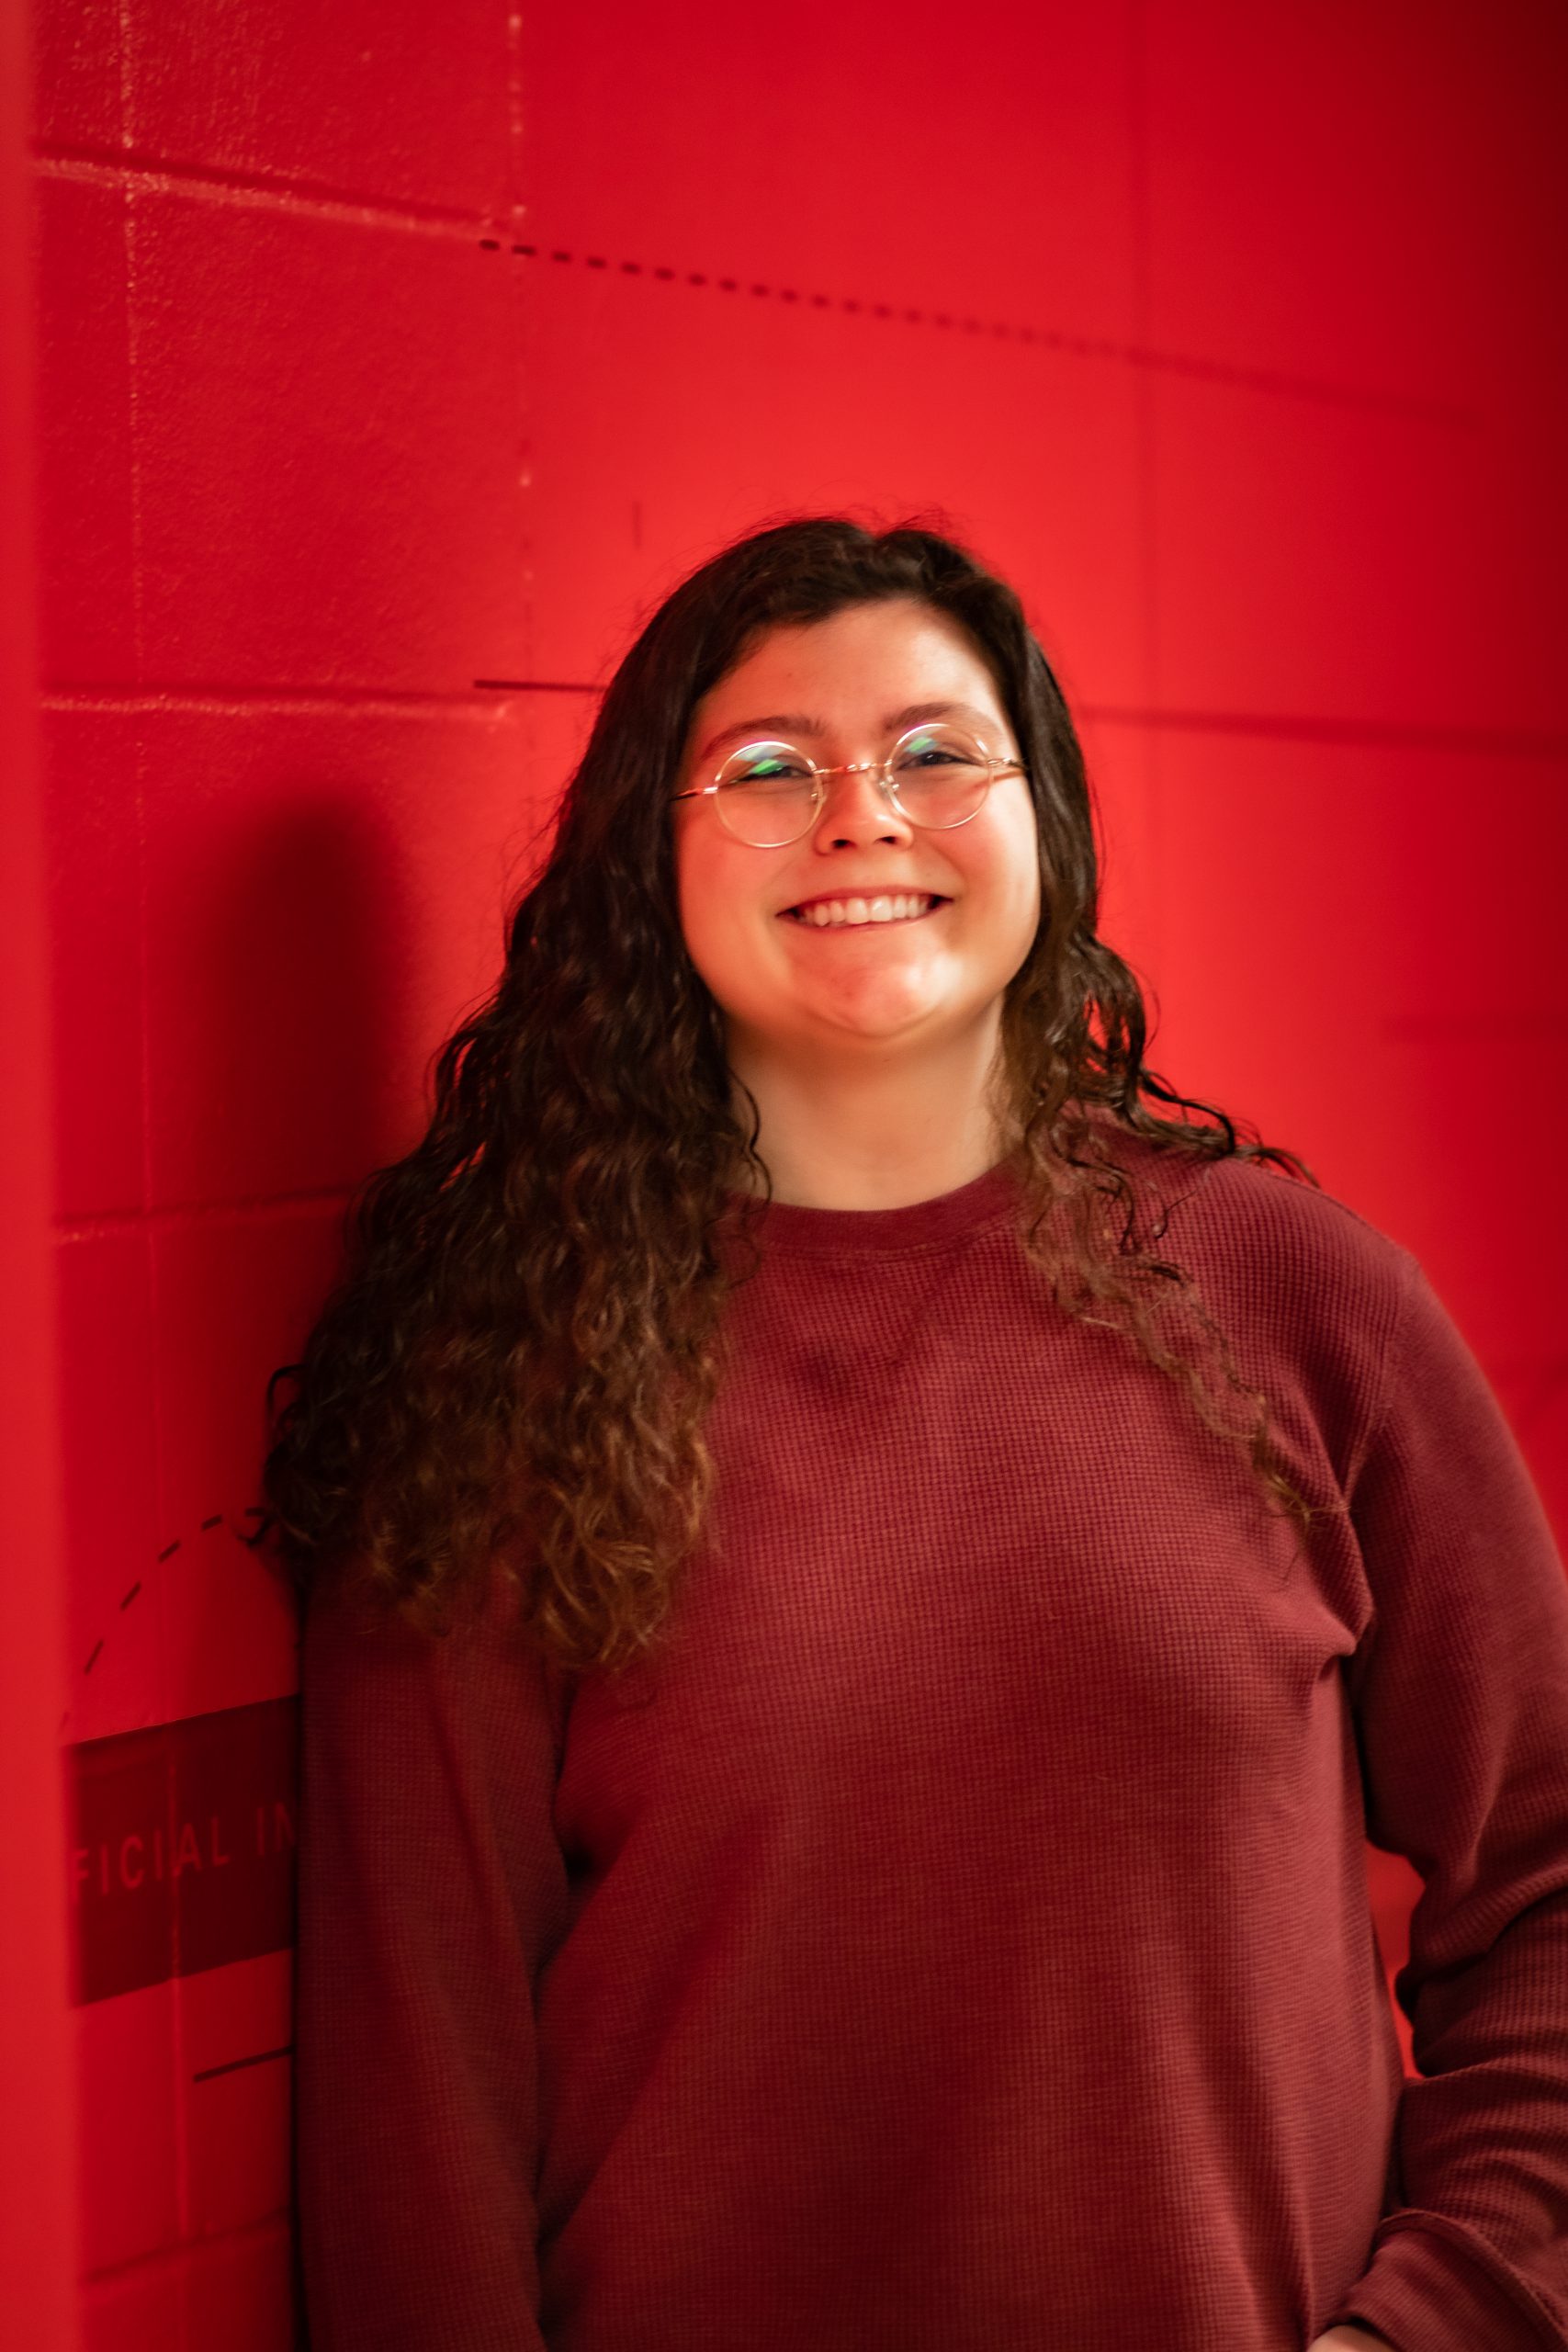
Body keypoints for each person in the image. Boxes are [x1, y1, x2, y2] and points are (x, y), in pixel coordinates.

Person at [254, 515, 1568, 2352]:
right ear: (655, 853)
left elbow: (1548, 1878)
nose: (860, 812)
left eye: (938, 752)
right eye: (768, 767)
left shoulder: (1299, 1298)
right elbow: (421, 2099)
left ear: (1045, 828)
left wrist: (1438, 2323)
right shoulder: (505, 1372)